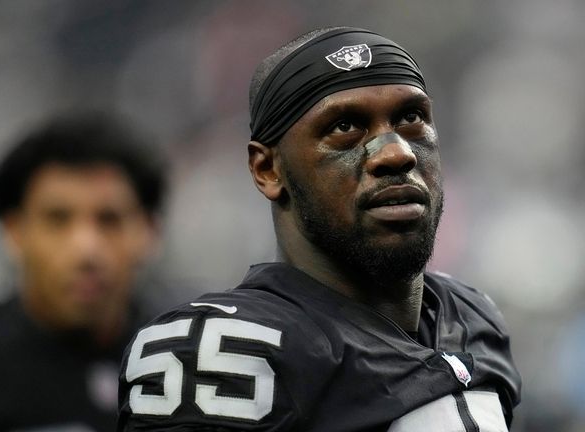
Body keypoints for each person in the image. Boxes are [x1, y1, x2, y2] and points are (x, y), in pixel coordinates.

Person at [118, 26, 521, 432]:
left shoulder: (472, 318)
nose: (396, 153)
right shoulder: (226, 349)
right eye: (345, 127)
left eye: (411, 117)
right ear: (268, 169)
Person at [0, 112, 167, 432]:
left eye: (109, 219)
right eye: (57, 219)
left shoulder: (185, 359)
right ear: (13, 230)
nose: (86, 250)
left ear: (148, 231)